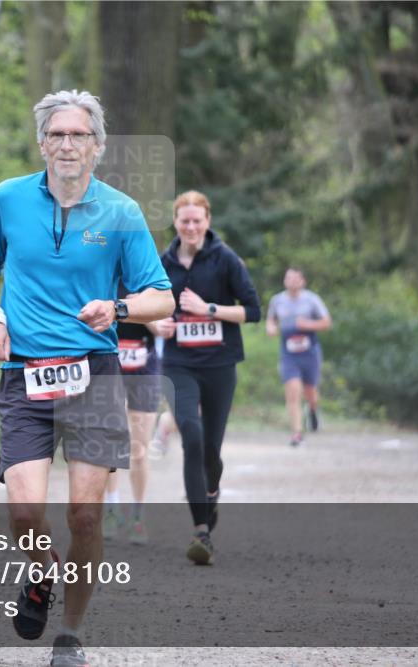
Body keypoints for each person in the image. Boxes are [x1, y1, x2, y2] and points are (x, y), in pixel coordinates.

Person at [0, 89, 174, 666]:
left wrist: (119, 310)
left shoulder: (122, 213)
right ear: (42, 143)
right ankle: (41, 577)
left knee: (84, 514)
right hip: (24, 375)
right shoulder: (9, 198)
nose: (66, 143)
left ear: (98, 146)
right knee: (24, 511)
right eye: (56, 134)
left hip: (95, 377)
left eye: (78, 135)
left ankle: (71, 633)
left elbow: (161, 298)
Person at [156, 190, 261, 565]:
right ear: (176, 223)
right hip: (179, 364)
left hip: (219, 364)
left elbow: (253, 312)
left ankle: (211, 489)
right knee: (191, 433)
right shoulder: (162, 263)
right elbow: (145, 306)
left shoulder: (226, 259)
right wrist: (156, 323)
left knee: (211, 450)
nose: (191, 227)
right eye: (184, 220)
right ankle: (201, 531)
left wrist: (209, 309)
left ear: (207, 222)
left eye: (197, 220)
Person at [103, 285, 161, 544]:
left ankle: (138, 515)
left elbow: (163, 328)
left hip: (143, 369)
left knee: (139, 449)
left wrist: (137, 305)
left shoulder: (152, 277)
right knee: (109, 442)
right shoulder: (101, 267)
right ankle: (112, 510)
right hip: (108, 364)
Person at [266, 267, 332, 447]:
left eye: (296, 279)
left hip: (309, 352)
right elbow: (271, 319)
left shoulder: (312, 300)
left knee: (310, 391)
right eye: (288, 278)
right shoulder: (277, 300)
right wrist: (271, 327)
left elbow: (327, 323)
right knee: (293, 391)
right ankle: (297, 434)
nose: (292, 282)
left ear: (302, 281)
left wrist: (307, 324)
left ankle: (312, 410)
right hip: (288, 353)